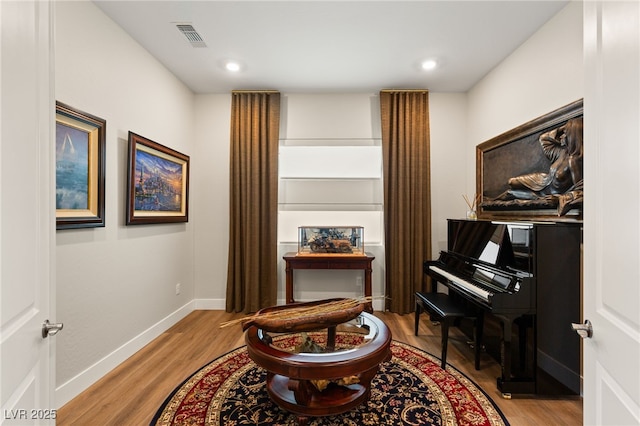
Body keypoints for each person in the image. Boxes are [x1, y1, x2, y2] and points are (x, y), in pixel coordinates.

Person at [490, 117, 583, 215]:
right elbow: (544, 139)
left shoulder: (575, 160)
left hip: (546, 193)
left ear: (573, 136)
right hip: (542, 181)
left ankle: (492, 200)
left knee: (511, 193)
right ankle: (493, 199)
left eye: (565, 133)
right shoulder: (562, 152)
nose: (561, 136)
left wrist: (559, 198)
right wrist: (567, 126)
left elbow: (580, 190)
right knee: (512, 182)